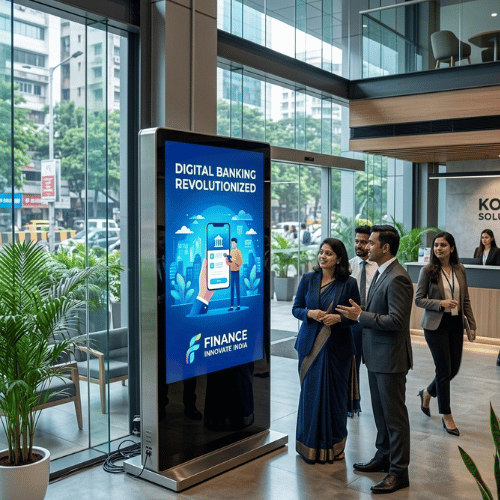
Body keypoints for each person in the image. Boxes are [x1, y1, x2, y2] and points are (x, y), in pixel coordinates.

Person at [336, 225, 413, 495]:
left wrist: (361, 316)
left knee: (394, 418)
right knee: (381, 414)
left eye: (371, 243)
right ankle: (383, 456)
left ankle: (399, 472)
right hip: (377, 356)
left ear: (385, 248)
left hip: (390, 358)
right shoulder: (383, 272)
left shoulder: (398, 277)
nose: (367, 246)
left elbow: (397, 321)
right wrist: (363, 311)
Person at [292, 238, 360, 464]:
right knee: (311, 397)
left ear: (339, 259)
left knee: (335, 401)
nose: (322, 256)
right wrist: (309, 314)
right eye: (321, 252)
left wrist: (339, 318)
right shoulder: (308, 279)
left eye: (328, 253)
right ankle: (307, 445)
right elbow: (296, 308)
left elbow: (356, 316)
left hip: (337, 351)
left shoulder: (348, 283)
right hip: (310, 348)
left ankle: (335, 446)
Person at [415, 231, 476, 435]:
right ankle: (447, 415)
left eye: (443, 245)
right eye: (436, 245)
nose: (438, 248)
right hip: (435, 325)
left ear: (451, 248)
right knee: (443, 370)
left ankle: (427, 392)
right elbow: (419, 300)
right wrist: (440, 303)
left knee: (453, 369)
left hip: (456, 323)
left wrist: (472, 323)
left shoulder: (460, 269)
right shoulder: (427, 270)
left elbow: (465, 298)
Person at [348, 224, 378, 416]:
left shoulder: (380, 267)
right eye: (357, 241)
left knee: (374, 365)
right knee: (353, 364)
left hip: (373, 321)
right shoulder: (348, 266)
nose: (359, 245)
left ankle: (378, 404)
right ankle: (353, 404)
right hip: (353, 322)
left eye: (364, 242)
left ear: (371, 244)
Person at [226, 237, 243, 311]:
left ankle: (238, 305)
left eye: (234, 243)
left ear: (236, 243)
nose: (233, 244)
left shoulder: (238, 252)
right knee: (232, 288)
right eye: (232, 243)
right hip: (232, 272)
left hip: (236, 272)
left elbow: (240, 263)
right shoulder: (231, 252)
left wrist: (234, 260)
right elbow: (228, 263)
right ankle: (232, 306)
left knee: (237, 288)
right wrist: (227, 260)